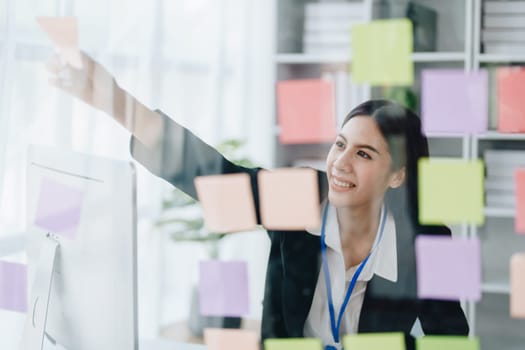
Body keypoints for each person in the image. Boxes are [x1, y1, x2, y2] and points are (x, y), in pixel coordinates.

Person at [46, 52, 469, 350]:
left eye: (363, 154)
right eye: (340, 144)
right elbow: (210, 174)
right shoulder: (301, 199)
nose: (340, 163)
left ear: (397, 175)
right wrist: (115, 100)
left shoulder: (429, 241)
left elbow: (450, 339)